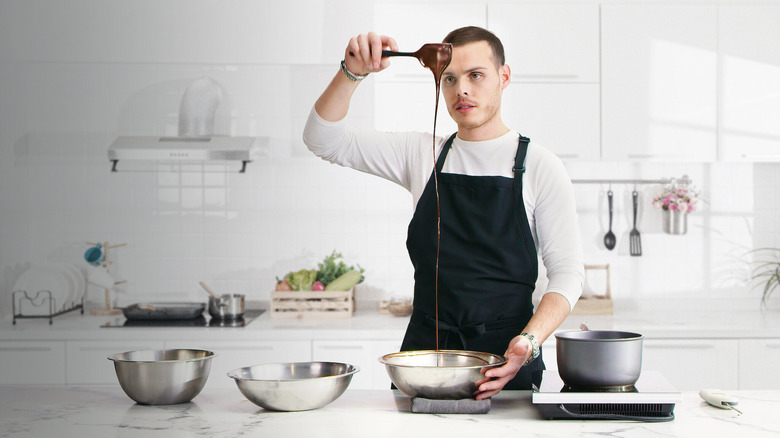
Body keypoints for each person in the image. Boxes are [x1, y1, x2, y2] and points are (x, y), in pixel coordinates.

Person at [303, 26, 583, 399]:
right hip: (423, 361)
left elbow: (567, 274)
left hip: (505, 364)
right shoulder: (422, 155)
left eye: (476, 75)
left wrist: (528, 342)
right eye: (449, 78)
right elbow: (322, 139)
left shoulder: (540, 166)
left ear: (504, 77)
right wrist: (352, 72)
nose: (461, 89)